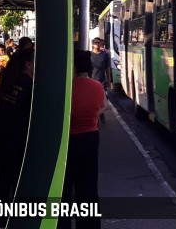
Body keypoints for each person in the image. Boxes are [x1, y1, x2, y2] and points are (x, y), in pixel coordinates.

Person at [58, 50, 107, 229]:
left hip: (68, 140)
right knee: (88, 185)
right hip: (90, 138)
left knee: (64, 187)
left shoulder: (65, 88)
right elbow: (105, 106)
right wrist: (93, 116)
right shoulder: (97, 86)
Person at [0, 48, 35, 228]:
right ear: (28, 64)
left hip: (2, 135)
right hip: (18, 136)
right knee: (19, 180)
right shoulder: (30, 84)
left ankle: (2, 221)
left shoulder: (9, 80)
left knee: (4, 179)